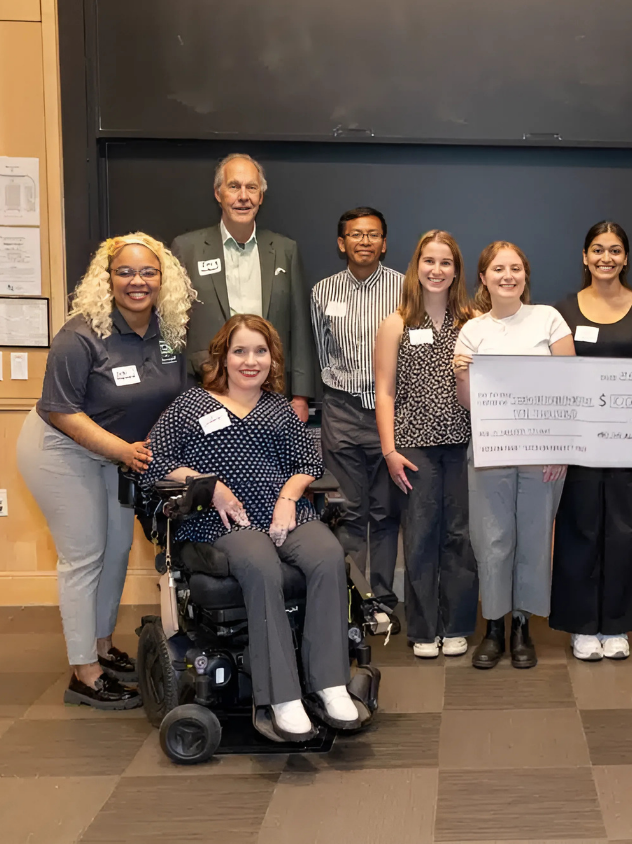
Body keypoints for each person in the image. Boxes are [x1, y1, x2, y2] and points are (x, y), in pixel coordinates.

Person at [141, 315, 360, 740]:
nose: (250, 360)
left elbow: (309, 465)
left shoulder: (278, 407)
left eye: (260, 351)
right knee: (261, 565)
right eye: (240, 351)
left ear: (272, 359)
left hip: (283, 512)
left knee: (328, 555)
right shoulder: (190, 405)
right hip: (219, 520)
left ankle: (330, 684)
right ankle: (282, 697)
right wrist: (212, 487)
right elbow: (155, 462)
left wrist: (288, 499)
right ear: (222, 356)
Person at [16, 233, 195, 708]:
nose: (137, 281)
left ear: (164, 280)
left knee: (116, 551)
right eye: (125, 272)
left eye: (148, 272)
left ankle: (100, 644)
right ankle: (84, 673)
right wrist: (123, 449)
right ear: (107, 278)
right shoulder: (79, 335)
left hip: (119, 456)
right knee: (84, 555)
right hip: (61, 451)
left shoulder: (171, 331)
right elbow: (61, 412)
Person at [453, 241, 575, 669]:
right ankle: (493, 628)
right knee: (493, 540)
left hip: (543, 451)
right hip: (491, 450)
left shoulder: (549, 320)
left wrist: (561, 446)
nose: (508, 275)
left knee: (535, 538)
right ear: (483, 278)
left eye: (516, 268)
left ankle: (523, 627)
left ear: (526, 275)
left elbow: (570, 387)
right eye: (498, 269)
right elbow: (467, 403)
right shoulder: (472, 330)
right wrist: (463, 374)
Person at [549, 221, 632, 661]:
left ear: (626, 258)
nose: (606, 258)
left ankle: (616, 626)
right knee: (579, 530)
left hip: (628, 443)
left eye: (615, 250)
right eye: (598, 250)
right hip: (577, 443)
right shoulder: (562, 311)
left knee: (624, 531)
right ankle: (581, 627)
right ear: (584, 256)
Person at [374, 231, 478, 659]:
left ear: (457, 270)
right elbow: (384, 391)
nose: (437, 270)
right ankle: (422, 628)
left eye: (446, 263)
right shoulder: (396, 321)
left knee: (459, 537)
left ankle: (456, 626)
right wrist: (389, 451)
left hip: (464, 446)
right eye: (429, 261)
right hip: (412, 448)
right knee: (419, 537)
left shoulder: (473, 321)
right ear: (416, 266)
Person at [311, 207, 404, 624]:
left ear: (384, 243)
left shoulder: (407, 290)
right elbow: (318, 351)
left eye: (372, 235)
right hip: (342, 411)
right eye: (355, 234)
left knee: (385, 512)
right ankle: (354, 600)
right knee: (348, 510)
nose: (364, 241)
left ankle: (383, 598)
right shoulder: (322, 292)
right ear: (341, 242)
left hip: (391, 411)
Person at [172, 153, 315, 421]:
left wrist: (300, 396)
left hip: (271, 389)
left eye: (252, 188)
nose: (243, 196)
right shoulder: (187, 248)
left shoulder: (285, 249)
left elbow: (299, 325)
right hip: (207, 386)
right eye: (234, 186)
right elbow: (174, 325)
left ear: (261, 196)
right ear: (218, 193)